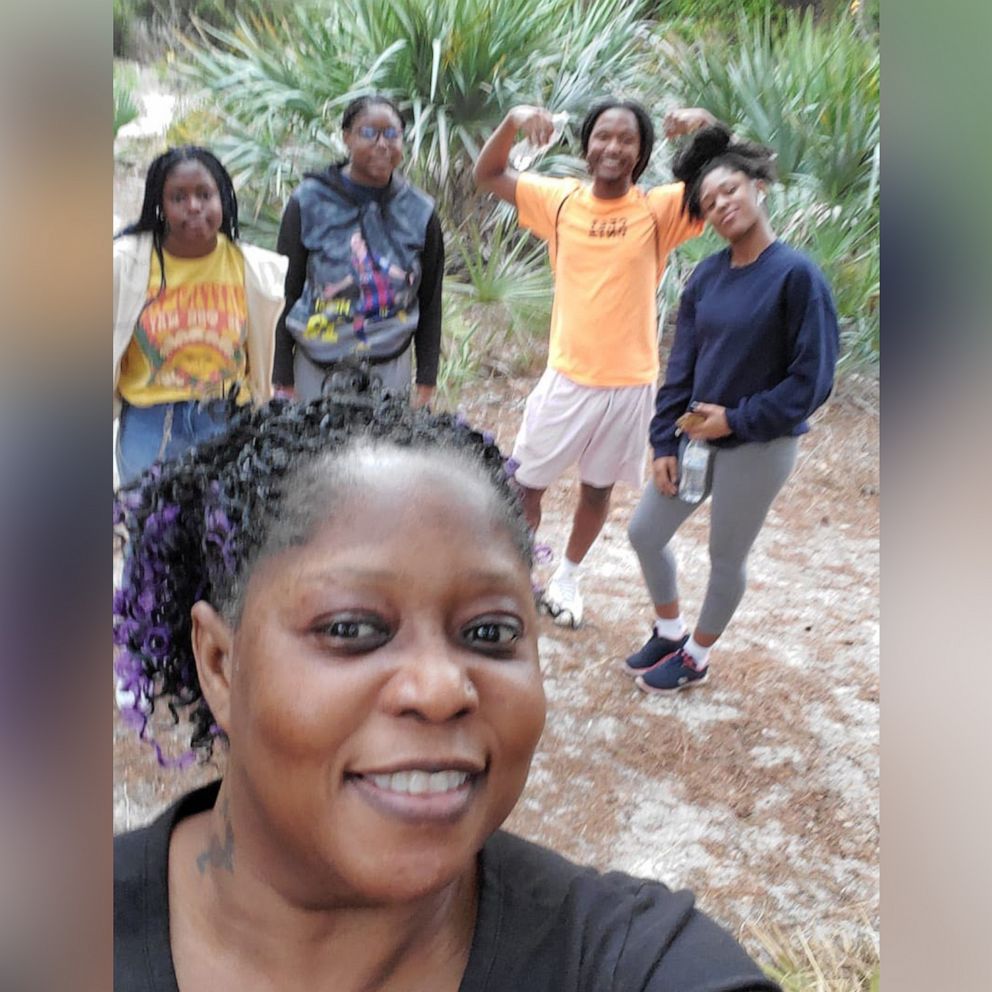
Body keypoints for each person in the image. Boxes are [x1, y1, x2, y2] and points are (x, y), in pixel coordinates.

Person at [113, 381, 781, 992]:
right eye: (351, 627)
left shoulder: (619, 963)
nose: (440, 689)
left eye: (490, 634)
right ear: (221, 664)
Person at [473, 99, 714, 628]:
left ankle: (567, 578)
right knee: (525, 486)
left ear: (642, 153)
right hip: (567, 376)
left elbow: (729, 178)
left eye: (626, 140)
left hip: (629, 384)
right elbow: (488, 173)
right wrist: (515, 119)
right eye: (603, 136)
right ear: (586, 146)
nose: (613, 147)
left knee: (597, 489)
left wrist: (706, 126)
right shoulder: (558, 201)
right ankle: (515, 578)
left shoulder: (658, 211)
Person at [624, 123, 839, 694]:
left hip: (760, 445)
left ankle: (696, 655)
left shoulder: (797, 276)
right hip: (697, 435)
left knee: (725, 556)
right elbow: (682, 368)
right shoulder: (707, 275)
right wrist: (664, 442)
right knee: (645, 532)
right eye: (708, 202)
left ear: (757, 187)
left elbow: (811, 382)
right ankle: (669, 631)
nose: (720, 205)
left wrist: (736, 420)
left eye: (729, 191)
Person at [113, 146, 287, 488]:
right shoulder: (124, 264)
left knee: (224, 533)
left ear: (222, 198)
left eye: (204, 195)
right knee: (151, 534)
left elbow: (263, 354)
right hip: (150, 424)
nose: (193, 206)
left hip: (226, 419)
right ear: (160, 205)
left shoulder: (255, 269)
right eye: (178, 197)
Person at [273, 94, 443, 406]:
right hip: (316, 364)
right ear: (347, 137)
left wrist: (427, 380)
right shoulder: (308, 201)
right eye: (369, 133)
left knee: (385, 453)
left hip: (391, 364)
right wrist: (282, 376)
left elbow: (430, 301)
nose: (382, 144)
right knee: (313, 452)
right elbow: (286, 289)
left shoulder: (420, 211)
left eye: (392, 134)